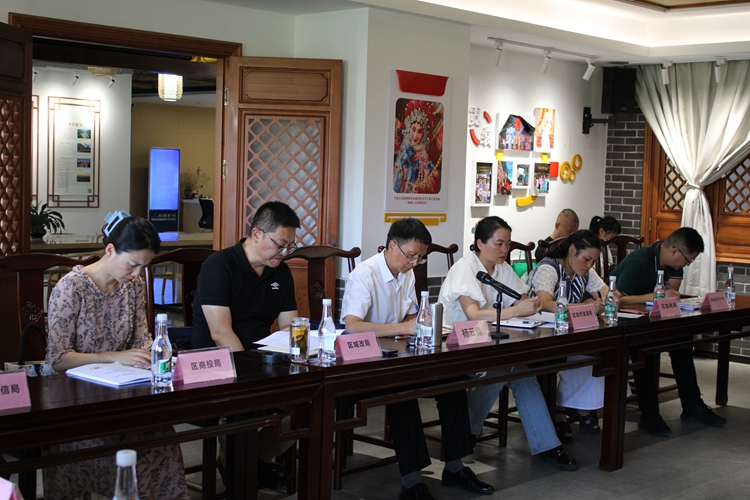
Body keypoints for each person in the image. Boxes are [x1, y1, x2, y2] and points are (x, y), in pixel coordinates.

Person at [342, 217, 493, 500]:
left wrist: (421, 325)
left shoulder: (407, 273)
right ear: (392, 246)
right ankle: (411, 483)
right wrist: (403, 328)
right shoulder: (364, 275)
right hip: (367, 362)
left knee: (453, 382)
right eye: (411, 256)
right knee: (403, 391)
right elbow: (352, 326)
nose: (414, 263)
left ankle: (455, 467)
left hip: (400, 355)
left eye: (420, 258)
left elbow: (412, 316)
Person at [44, 211, 189, 500]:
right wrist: (114, 357)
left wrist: (153, 357)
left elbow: (142, 340)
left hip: (124, 393)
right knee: (125, 446)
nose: (136, 273)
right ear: (110, 250)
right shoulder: (71, 287)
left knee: (160, 436)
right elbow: (58, 360)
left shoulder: (132, 286)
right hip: (75, 402)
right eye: (133, 264)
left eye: (144, 266)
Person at [437, 216, 577, 471]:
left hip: (490, 344)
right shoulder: (465, 268)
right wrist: (516, 311)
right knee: (499, 371)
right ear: (480, 243)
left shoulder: (501, 268)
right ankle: (467, 431)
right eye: (499, 243)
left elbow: (521, 299)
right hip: (456, 346)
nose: (504, 250)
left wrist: (530, 304)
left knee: (523, 374)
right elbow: (474, 315)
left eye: (508, 244)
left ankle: (547, 445)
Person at [190, 200, 300, 489]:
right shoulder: (220, 266)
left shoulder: (280, 271)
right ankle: (240, 466)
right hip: (217, 362)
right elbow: (220, 333)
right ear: (256, 234)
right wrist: (250, 374)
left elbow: (290, 326)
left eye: (290, 246)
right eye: (280, 245)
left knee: (311, 401)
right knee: (243, 403)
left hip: (261, 360)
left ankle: (256, 458)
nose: (284, 253)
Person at [609, 227, 727, 436]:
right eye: (688, 260)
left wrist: (668, 296)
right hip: (625, 322)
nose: (687, 265)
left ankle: (692, 406)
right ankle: (649, 414)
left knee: (682, 342)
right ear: (674, 251)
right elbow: (613, 299)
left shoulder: (674, 264)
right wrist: (650, 297)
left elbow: (670, 293)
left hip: (654, 319)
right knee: (645, 349)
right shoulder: (639, 262)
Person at [527, 230, 608, 441]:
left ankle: (579, 405)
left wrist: (599, 302)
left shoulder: (585, 271)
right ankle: (559, 410)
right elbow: (544, 303)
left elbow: (608, 294)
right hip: (540, 333)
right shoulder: (549, 268)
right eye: (586, 259)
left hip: (569, 331)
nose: (589, 265)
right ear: (572, 250)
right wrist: (585, 306)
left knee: (598, 351)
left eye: (593, 261)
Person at [393, 100, 440, 194]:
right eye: (413, 129)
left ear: (424, 134)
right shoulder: (403, 147)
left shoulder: (423, 157)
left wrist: (420, 188)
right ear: (408, 128)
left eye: (419, 132)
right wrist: (414, 148)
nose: (415, 136)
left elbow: (433, 180)